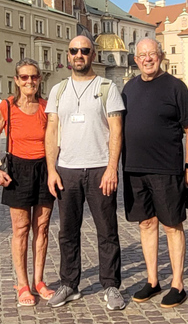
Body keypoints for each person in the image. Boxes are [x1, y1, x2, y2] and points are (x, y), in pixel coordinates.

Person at [45, 35, 126, 311]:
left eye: (84, 50)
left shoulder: (107, 88)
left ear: (93, 55)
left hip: (99, 168)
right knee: (67, 232)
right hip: (66, 170)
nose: (79, 54)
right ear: (68, 55)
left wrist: (112, 168)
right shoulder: (57, 90)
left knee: (107, 230)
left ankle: (111, 285)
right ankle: (69, 284)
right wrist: (51, 170)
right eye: (74, 50)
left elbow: (116, 130)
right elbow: (52, 131)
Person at [122, 38, 188, 308]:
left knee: (172, 225)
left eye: (152, 54)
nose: (147, 59)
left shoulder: (176, 87)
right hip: (134, 168)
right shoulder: (128, 88)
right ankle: (153, 280)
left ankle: (177, 283)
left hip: (167, 168)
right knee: (146, 224)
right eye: (142, 55)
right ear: (135, 60)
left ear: (161, 56)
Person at [0, 58, 56, 306]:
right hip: (17, 171)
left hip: (44, 169)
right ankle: (23, 284)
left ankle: (39, 281)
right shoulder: (7, 107)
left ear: (39, 80)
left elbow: (55, 141)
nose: (29, 81)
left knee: (43, 228)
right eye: (24, 77)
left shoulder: (47, 107)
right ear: (16, 81)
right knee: (21, 229)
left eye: (34, 77)